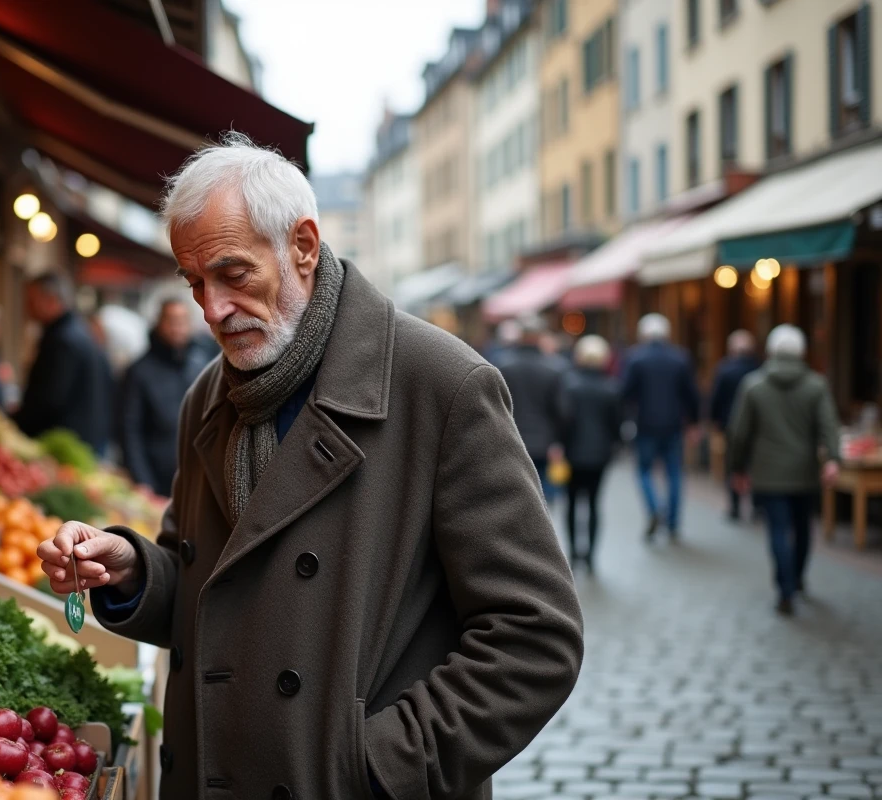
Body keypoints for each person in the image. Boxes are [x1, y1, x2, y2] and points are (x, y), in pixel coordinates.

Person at [37, 134, 583, 799]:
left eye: (233, 274)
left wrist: (378, 766)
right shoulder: (207, 397)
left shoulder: (441, 385)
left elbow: (535, 638)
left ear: (302, 245)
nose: (212, 309)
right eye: (195, 282)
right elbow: (210, 587)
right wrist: (129, 570)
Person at [727, 325, 840, 616]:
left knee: (778, 529)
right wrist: (833, 459)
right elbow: (829, 426)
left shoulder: (754, 385)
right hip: (804, 471)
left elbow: (739, 433)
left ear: (771, 351)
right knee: (803, 527)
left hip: (769, 473)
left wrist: (737, 467)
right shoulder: (816, 385)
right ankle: (798, 577)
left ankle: (785, 588)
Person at [14, 271, 114, 456]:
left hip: (68, 445)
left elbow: (49, 399)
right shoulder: (77, 331)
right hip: (85, 440)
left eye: (31, 300)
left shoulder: (62, 340)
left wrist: (17, 423)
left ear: (51, 300)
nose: (27, 307)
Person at [622, 313, 700, 540]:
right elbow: (691, 395)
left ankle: (655, 508)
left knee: (644, 471)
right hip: (673, 425)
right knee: (674, 473)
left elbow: (626, 393)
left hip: (646, 424)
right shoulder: (680, 358)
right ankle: (673, 523)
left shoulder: (636, 358)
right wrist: (694, 423)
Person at [121, 298, 208, 497]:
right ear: (159, 323)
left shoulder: (201, 365)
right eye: (171, 321)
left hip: (198, 477)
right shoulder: (139, 371)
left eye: (182, 321)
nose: (177, 327)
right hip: (155, 479)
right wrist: (141, 479)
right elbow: (129, 429)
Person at [559, 335, 623, 573]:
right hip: (599, 455)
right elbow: (617, 424)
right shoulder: (611, 387)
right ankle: (591, 557)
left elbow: (564, 420)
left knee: (573, 503)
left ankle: (574, 553)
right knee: (595, 504)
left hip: (573, 453)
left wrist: (561, 444)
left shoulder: (570, 384)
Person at [492, 315, 567, 501]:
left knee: (514, 496)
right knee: (542, 497)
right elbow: (562, 411)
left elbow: (494, 406)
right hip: (544, 442)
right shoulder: (554, 368)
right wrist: (558, 441)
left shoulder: (503, 364)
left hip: (511, 440)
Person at [710, 329, 761, 520]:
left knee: (733, 464)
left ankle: (735, 506)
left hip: (731, 423)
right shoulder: (759, 368)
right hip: (757, 425)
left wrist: (715, 420)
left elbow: (717, 397)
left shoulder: (725, 369)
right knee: (755, 464)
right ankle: (757, 505)